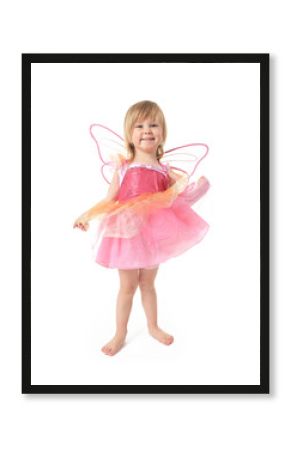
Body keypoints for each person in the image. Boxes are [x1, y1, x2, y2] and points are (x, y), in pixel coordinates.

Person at [73, 100, 210, 356]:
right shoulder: (123, 167)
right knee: (127, 286)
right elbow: (109, 199)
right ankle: (120, 333)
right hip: (126, 232)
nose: (147, 130)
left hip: (153, 235)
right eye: (140, 126)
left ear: (162, 134)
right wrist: (87, 215)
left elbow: (179, 198)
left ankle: (153, 326)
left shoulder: (165, 170)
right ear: (130, 135)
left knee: (148, 283)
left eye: (153, 125)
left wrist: (200, 187)